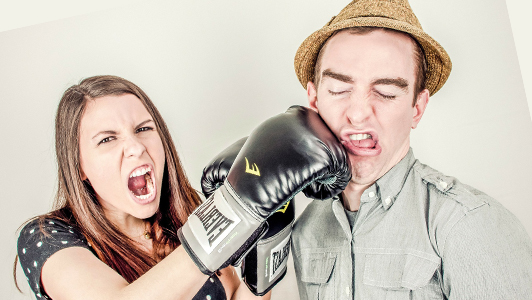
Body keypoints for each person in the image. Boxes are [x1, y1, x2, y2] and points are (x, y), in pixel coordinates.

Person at [290, 0, 532, 299]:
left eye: (386, 92)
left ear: (417, 108)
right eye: (339, 90)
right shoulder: (304, 229)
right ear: (314, 101)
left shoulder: (470, 227)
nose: (358, 113)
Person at [15, 75, 270, 300]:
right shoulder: (46, 237)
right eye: (107, 139)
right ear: (79, 166)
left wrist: (269, 237)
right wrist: (232, 215)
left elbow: (236, 294)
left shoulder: (185, 216)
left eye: (143, 128)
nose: (136, 146)